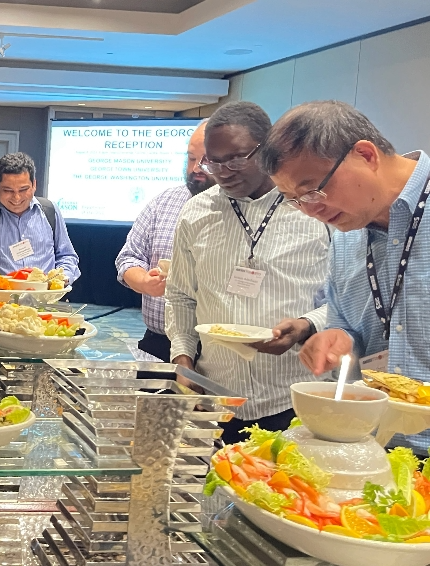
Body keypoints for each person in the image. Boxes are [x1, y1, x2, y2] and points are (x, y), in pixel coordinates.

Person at [261, 101, 430, 452]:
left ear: (366, 155)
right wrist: (339, 338)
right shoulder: (346, 236)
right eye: (294, 200)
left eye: (313, 190)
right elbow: (350, 326)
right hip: (377, 447)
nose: (310, 211)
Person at [164, 101, 330, 444]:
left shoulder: (314, 210)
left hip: (294, 398)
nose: (223, 172)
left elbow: (344, 301)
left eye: (237, 158)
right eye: (213, 161)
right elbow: (180, 295)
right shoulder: (197, 212)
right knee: (214, 492)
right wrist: (182, 358)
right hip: (217, 398)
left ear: (268, 148)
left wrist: (305, 326)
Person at [116, 120, 211, 362]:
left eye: (206, 159)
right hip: (157, 344)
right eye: (191, 158)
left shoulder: (234, 212)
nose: (197, 168)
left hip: (214, 354)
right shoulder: (164, 202)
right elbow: (128, 257)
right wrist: (145, 282)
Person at [0, 152, 80, 283]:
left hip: (45, 299)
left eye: (23, 190)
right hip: (2, 300)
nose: (17, 198)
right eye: (8, 190)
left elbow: (67, 255)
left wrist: (63, 277)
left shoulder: (50, 211)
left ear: (34, 185)